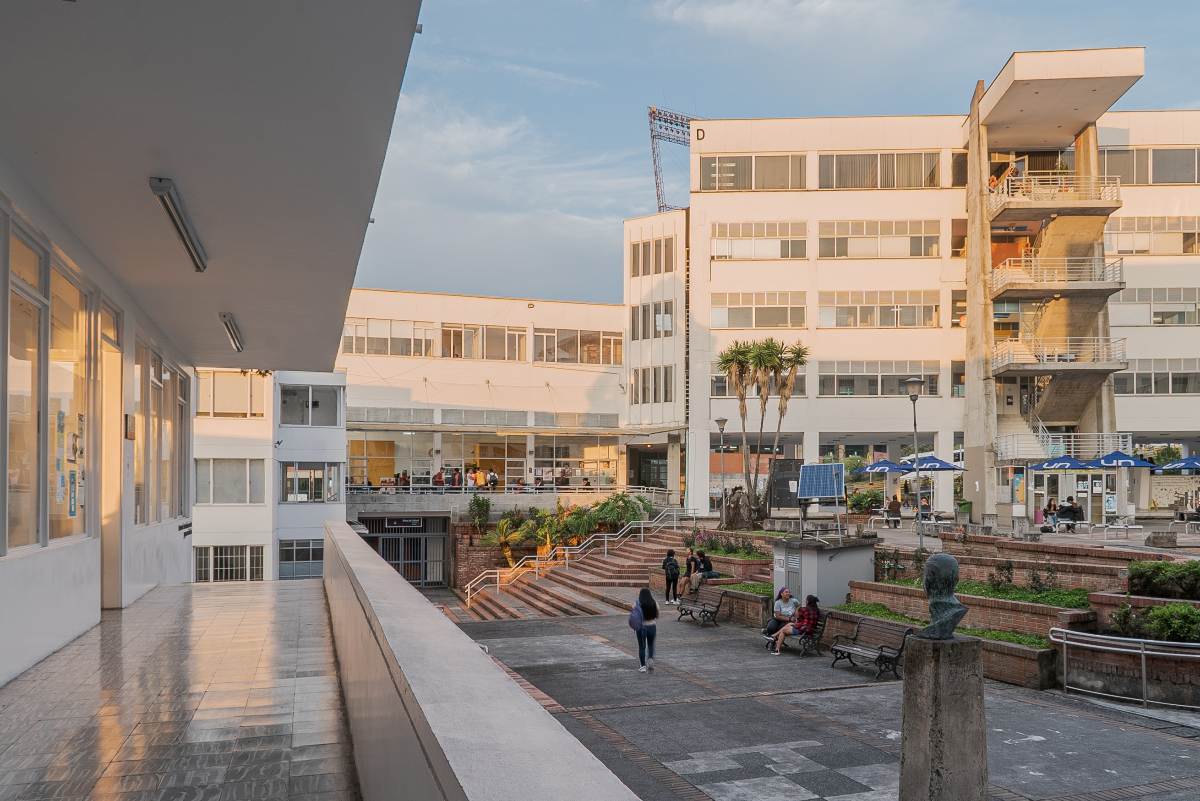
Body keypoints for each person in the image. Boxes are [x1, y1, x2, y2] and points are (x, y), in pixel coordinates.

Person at [628, 587, 659, 673]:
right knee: (651, 645)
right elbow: (657, 615)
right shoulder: (654, 603)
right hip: (652, 626)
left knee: (641, 646)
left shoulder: (637, 603)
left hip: (641, 628)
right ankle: (650, 659)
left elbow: (634, 615)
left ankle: (642, 666)